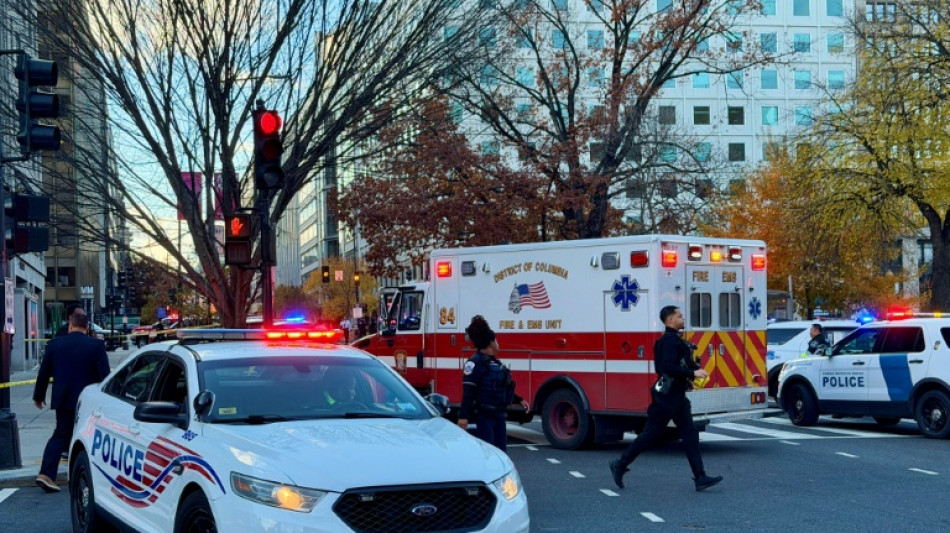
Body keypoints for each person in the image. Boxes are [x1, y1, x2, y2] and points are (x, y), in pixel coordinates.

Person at [609, 305, 723, 492]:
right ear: (670, 320)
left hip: (676, 395)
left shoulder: (672, 340)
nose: (682, 318)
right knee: (651, 434)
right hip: (667, 398)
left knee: (689, 434)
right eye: (679, 316)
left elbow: (669, 367)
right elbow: (667, 368)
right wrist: (693, 373)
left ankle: (700, 477)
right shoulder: (670, 342)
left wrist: (688, 377)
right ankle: (620, 464)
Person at [32, 307, 110, 492]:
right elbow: (104, 377)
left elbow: (43, 374)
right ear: (87, 327)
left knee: (60, 434)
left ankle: (46, 474)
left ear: (71, 325)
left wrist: (38, 396)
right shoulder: (96, 346)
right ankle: (90, 477)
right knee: (89, 437)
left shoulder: (55, 345)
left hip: (64, 398)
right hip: (89, 401)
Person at [457, 315, 529, 452]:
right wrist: (463, 417)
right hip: (483, 417)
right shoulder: (474, 363)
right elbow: (468, 392)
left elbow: (501, 390)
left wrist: (519, 400)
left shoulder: (497, 364)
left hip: (499, 416)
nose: (497, 343)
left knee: (501, 453)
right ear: (491, 343)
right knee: (488, 452)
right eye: (496, 340)